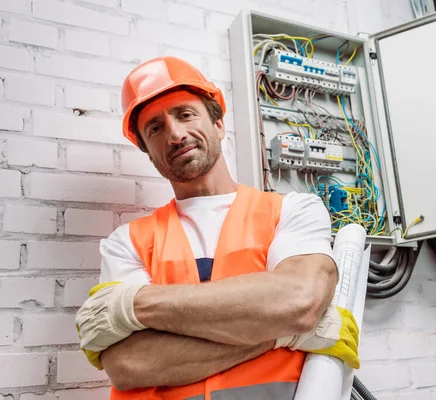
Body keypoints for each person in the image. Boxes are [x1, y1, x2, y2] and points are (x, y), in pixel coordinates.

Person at [75, 56, 360, 400]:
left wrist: (133, 305)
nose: (175, 134)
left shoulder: (292, 210)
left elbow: (299, 302)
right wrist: (281, 331)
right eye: (155, 128)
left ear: (219, 123)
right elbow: (128, 364)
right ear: (147, 152)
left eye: (185, 114)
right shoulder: (128, 242)